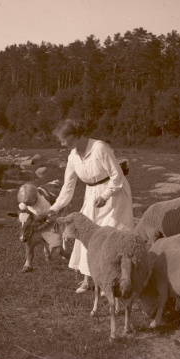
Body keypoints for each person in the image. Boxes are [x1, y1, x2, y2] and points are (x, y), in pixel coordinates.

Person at [47, 118, 134, 293]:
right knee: (88, 235)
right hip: (92, 195)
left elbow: (117, 175)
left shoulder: (100, 148)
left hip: (113, 193)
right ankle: (89, 278)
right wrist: (54, 208)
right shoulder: (73, 157)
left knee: (110, 234)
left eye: (64, 140)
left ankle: (110, 279)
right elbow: (68, 187)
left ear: (73, 137)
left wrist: (105, 195)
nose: (62, 144)